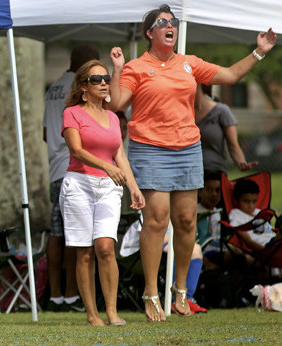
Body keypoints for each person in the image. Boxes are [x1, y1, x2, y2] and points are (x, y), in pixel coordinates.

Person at [108, 4, 276, 321]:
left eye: (173, 22)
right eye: (163, 22)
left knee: (186, 222)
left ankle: (181, 292)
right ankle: (150, 293)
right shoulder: (137, 67)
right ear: (150, 33)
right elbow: (116, 103)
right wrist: (117, 68)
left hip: (187, 149)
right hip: (149, 149)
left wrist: (259, 51)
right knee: (156, 220)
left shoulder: (189, 64)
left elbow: (230, 75)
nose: (171, 26)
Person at [60, 60, 145, 326]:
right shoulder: (72, 113)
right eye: (96, 79)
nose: (104, 83)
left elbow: (120, 154)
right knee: (84, 252)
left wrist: (134, 187)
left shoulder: (111, 117)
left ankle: (111, 311)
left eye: (106, 78)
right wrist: (107, 167)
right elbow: (77, 151)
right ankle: (92, 314)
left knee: (106, 248)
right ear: (83, 87)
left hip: (108, 187)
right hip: (79, 185)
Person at [43, 44, 100, 312]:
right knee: (74, 233)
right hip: (74, 167)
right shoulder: (78, 89)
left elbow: (46, 133)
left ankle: (55, 295)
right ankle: (70, 294)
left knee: (56, 233)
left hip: (54, 166)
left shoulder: (53, 87)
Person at [195, 84, 257, 173]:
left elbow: (233, 146)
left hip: (214, 174)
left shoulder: (221, 111)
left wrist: (242, 162)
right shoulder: (181, 113)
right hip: (188, 175)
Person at [229, 179, 281, 250]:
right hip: (266, 247)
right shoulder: (236, 215)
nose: (251, 206)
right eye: (246, 201)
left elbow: (271, 231)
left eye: (254, 201)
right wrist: (264, 252)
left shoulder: (258, 212)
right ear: (235, 200)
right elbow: (249, 242)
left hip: (274, 241)